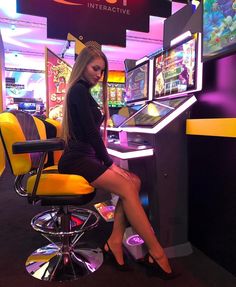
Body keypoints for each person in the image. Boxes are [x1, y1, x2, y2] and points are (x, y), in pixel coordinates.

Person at [58, 45, 176, 280]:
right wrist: (108, 161)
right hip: (77, 159)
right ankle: (157, 253)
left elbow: (92, 134)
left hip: (87, 156)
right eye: (95, 68)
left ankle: (114, 242)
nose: (98, 75)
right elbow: (92, 135)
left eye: (101, 71)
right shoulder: (78, 91)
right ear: (83, 66)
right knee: (127, 185)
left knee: (134, 181)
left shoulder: (83, 92)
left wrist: (104, 159)